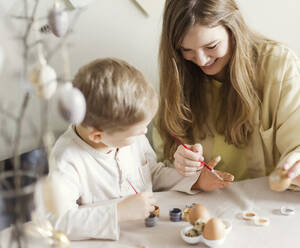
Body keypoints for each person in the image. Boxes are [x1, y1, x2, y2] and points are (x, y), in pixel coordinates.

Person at [155, 0, 300, 192]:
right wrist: (179, 163)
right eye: (186, 50)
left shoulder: (281, 67)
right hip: (204, 202)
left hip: (267, 202)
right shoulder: (178, 73)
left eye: (211, 46)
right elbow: (163, 157)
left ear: (233, 29)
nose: (201, 60)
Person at [45, 58, 205, 240]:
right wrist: (118, 212)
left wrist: (195, 180)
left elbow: (152, 174)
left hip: (148, 235)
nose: (144, 133)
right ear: (97, 136)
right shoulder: (67, 159)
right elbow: (56, 222)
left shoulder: (131, 136)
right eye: (137, 132)